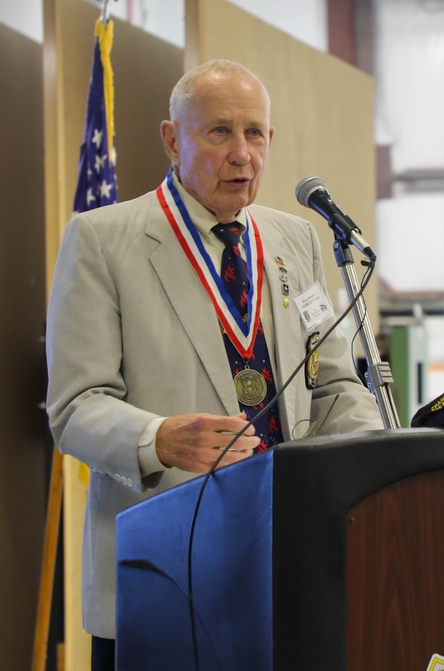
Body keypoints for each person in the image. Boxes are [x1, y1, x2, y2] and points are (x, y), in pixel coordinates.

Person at [45, 59, 383, 668]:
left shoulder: (297, 240)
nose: (242, 154)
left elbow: (331, 384)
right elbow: (74, 407)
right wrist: (159, 438)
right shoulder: (101, 239)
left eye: (255, 133)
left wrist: (374, 468)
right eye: (219, 131)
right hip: (165, 573)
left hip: (289, 565)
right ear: (173, 139)